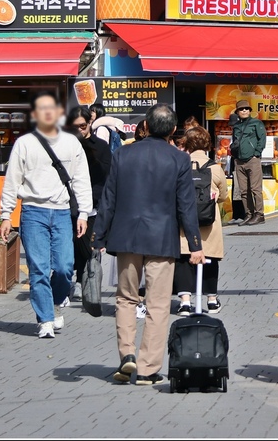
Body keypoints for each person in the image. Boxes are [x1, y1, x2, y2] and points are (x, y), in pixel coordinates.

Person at [92, 104, 204, 386]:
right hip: (162, 239)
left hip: (127, 236)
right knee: (157, 304)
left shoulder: (123, 154)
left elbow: (109, 198)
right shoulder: (178, 159)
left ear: (146, 126)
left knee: (126, 298)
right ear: (174, 130)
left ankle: (126, 354)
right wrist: (194, 244)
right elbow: (186, 206)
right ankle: (147, 369)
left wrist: (99, 236)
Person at [0, 91, 92, 339]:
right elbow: (12, 181)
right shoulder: (25, 143)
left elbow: (82, 179)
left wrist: (84, 212)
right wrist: (6, 214)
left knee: (64, 267)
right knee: (38, 269)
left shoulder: (72, 143)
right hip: (32, 211)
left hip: (62, 212)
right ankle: (45, 319)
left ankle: (55, 301)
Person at [174, 126, 229, 316]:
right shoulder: (214, 167)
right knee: (210, 258)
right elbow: (223, 196)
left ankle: (185, 302)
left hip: (184, 220)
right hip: (209, 220)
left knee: (184, 257)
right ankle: (212, 300)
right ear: (207, 144)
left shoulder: (180, 164)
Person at [66, 106, 111, 302]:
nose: (80, 130)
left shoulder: (100, 146)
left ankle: (83, 282)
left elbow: (107, 177)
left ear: (90, 123)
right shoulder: (64, 145)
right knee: (70, 246)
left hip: (91, 205)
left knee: (86, 244)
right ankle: (71, 281)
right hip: (66, 204)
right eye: (75, 127)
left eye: (83, 126)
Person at [231, 99, 267, 226]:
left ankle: (259, 214)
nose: (244, 110)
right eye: (241, 109)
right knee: (243, 191)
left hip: (252, 160)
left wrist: (256, 154)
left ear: (250, 111)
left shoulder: (256, 123)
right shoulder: (236, 126)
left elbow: (262, 139)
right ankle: (249, 214)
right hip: (239, 161)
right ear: (238, 112)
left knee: (255, 189)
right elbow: (235, 141)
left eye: (246, 108)